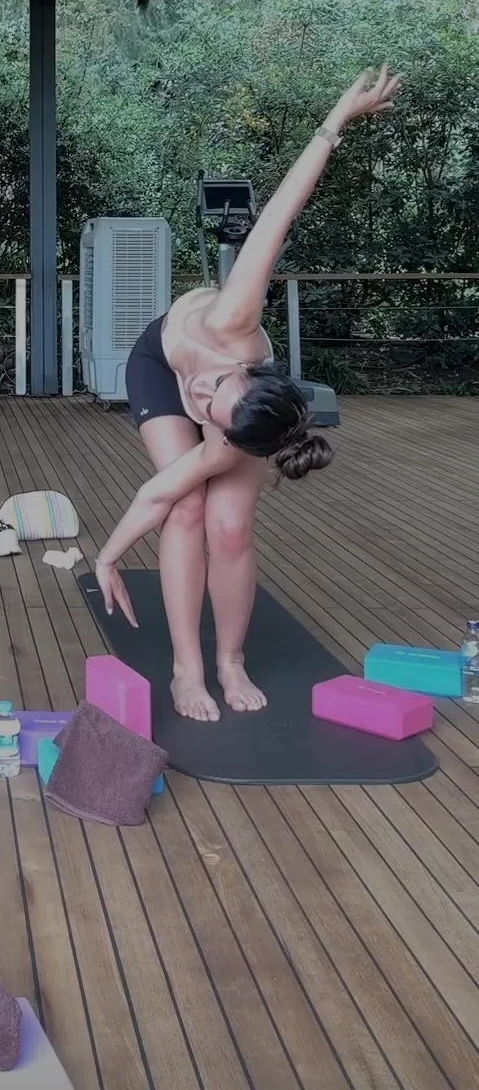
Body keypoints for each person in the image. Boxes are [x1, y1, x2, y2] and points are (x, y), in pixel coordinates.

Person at [95, 65, 401, 724]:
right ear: (249, 371)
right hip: (156, 361)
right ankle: (187, 667)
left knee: (228, 525)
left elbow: (176, 470)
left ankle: (229, 660)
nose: (201, 396)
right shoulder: (236, 318)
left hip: (240, 424)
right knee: (183, 510)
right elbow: (283, 209)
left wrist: (218, 429)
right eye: (214, 392)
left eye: (209, 410)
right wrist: (337, 120)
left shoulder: (229, 433)